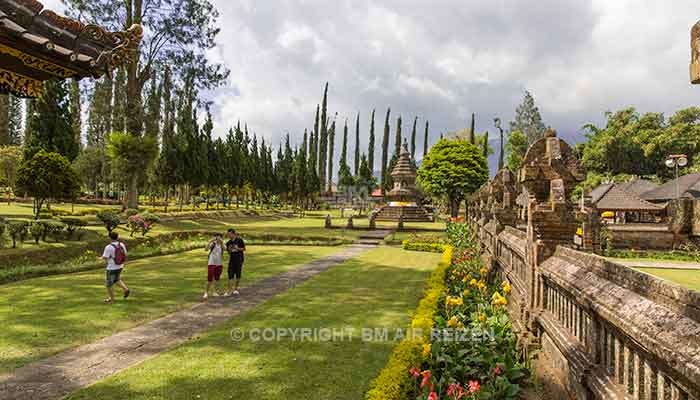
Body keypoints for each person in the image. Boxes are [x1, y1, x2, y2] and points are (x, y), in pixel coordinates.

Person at [101, 231, 130, 303]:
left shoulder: (108, 247)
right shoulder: (122, 244)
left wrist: (99, 258)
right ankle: (126, 289)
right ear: (117, 237)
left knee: (109, 285)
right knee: (116, 279)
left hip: (111, 268)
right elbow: (125, 254)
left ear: (109, 238)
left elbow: (105, 257)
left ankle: (112, 300)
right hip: (120, 266)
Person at [224, 228, 246, 296]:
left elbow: (244, 249)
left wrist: (237, 248)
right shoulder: (228, 243)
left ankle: (235, 289)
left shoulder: (239, 240)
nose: (228, 235)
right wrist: (230, 250)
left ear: (233, 233)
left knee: (238, 275)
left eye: (229, 234)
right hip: (232, 261)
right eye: (228, 234)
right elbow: (229, 252)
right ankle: (228, 291)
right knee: (230, 275)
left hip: (239, 260)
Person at [203, 233, 224, 301]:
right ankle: (206, 292)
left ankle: (214, 292)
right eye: (216, 237)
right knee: (210, 279)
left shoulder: (221, 244)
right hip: (211, 263)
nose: (218, 239)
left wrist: (221, 242)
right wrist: (210, 241)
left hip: (219, 263)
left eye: (219, 237)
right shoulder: (213, 244)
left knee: (217, 279)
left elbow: (225, 249)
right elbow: (206, 249)